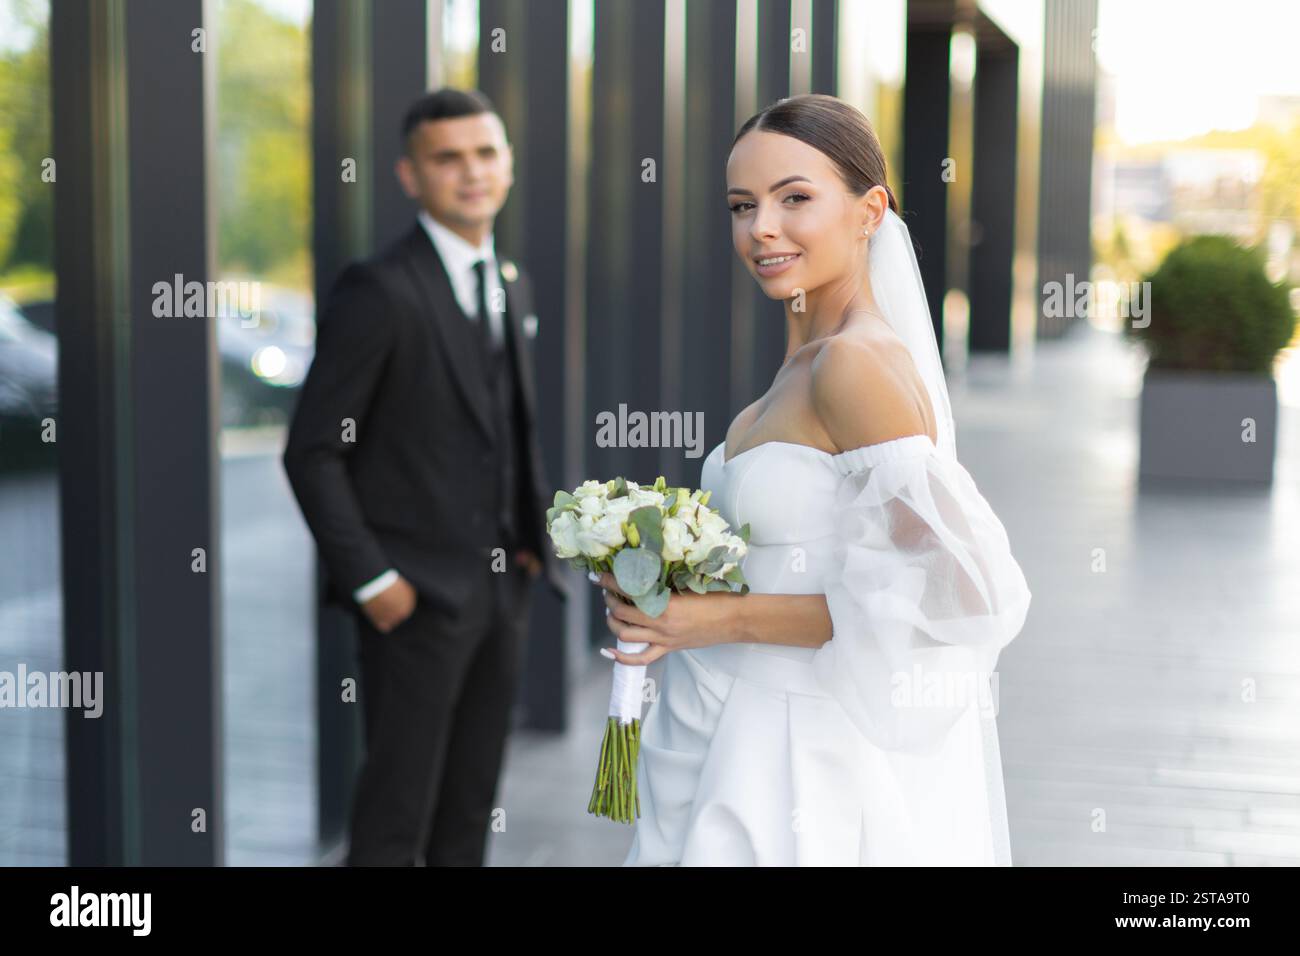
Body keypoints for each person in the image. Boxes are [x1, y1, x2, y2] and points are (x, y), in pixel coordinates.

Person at [596, 94, 1032, 865]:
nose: (761, 226)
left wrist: (716, 620)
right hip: (719, 726)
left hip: (797, 758)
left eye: (794, 197)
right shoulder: (799, 366)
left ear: (869, 212)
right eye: (742, 204)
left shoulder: (853, 366)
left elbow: (959, 593)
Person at [283, 87, 567, 866]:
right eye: (448, 158)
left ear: (506, 164)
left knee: (470, 804)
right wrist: (374, 582)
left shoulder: (509, 280)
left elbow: (508, 423)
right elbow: (311, 450)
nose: (471, 172)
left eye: (485, 153)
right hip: (412, 602)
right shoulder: (379, 289)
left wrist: (534, 539)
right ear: (411, 176)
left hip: (499, 590)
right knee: (394, 814)